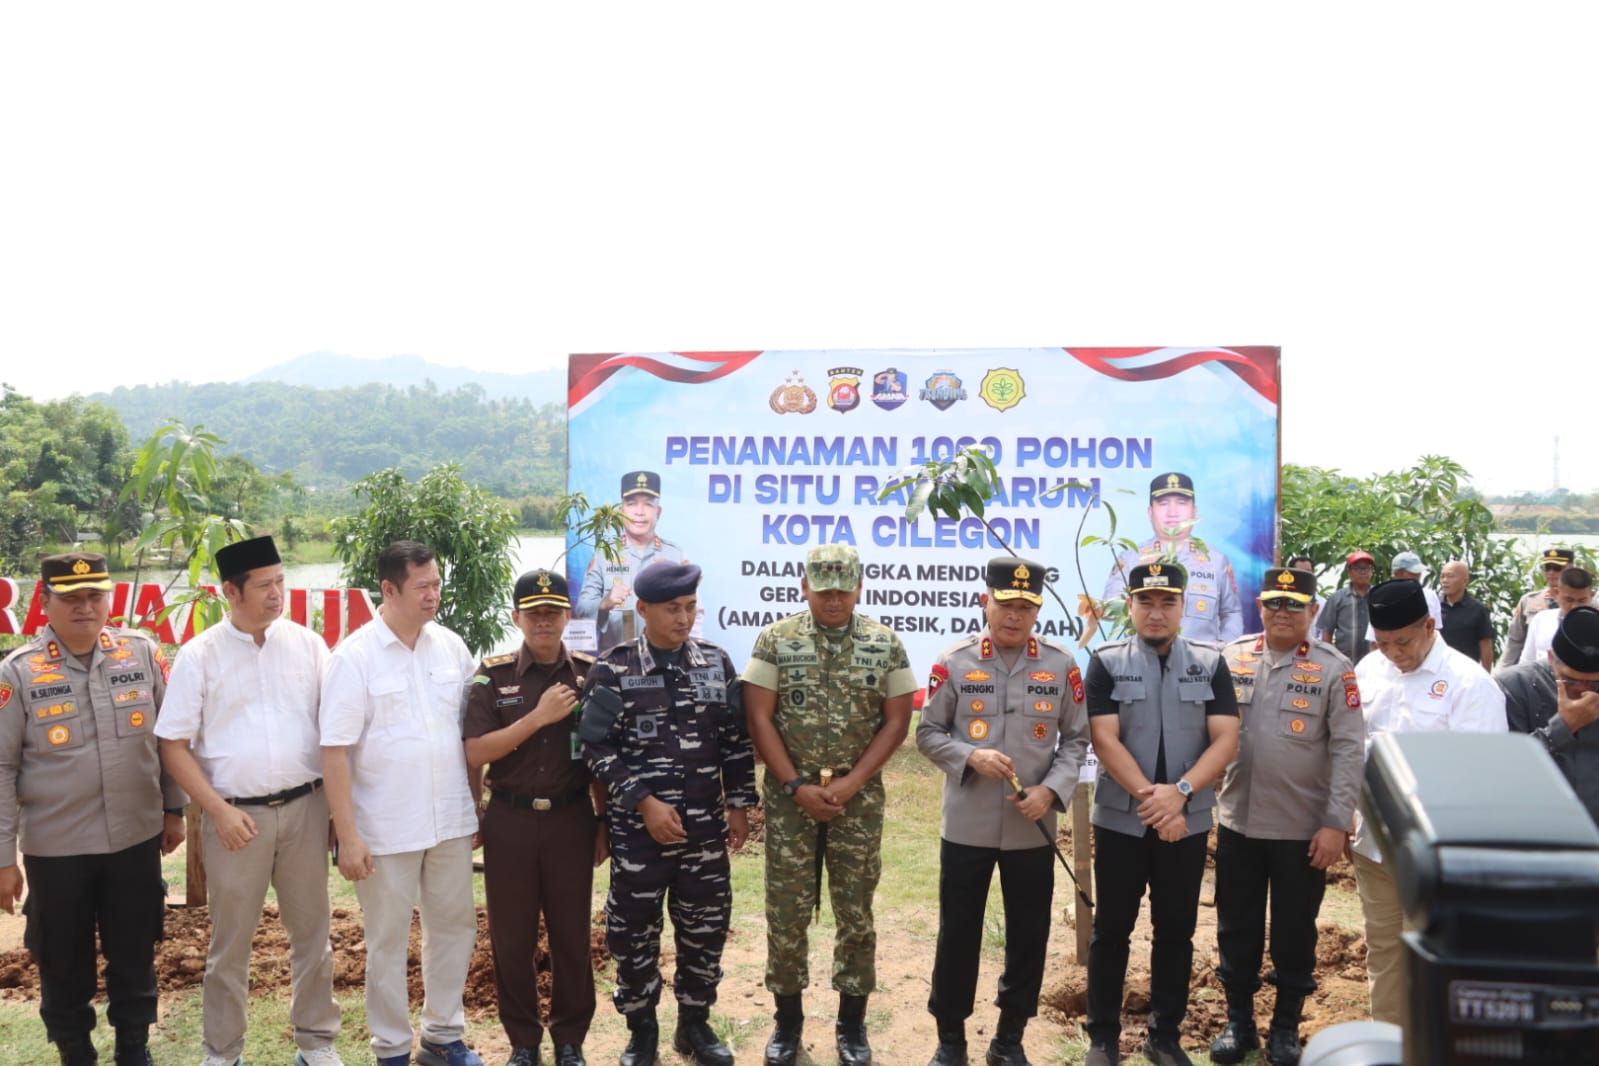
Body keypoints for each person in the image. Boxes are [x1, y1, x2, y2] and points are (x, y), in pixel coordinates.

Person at [155, 536, 343, 1066]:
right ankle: (223, 1050)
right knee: (230, 943)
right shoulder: (200, 655)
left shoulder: (308, 645)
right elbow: (173, 744)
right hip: (235, 818)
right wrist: (217, 810)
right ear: (231, 592)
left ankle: (316, 1042)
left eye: (281, 581)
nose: (277, 593)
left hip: (307, 809)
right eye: (264, 586)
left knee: (313, 934)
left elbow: (334, 731)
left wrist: (335, 811)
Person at [0, 552, 187, 1066]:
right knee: (62, 960)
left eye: (94, 596)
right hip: (57, 849)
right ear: (45, 602)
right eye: (71, 598)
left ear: (108, 599)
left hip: (134, 839)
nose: (85, 607)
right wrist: (3, 859)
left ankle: (134, 1047)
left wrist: (175, 808)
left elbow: (169, 737)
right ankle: (74, 1051)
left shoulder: (140, 653)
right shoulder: (17, 673)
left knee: (135, 952)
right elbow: (2, 768)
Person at [743, 545, 917, 1066]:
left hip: (856, 804)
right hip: (789, 801)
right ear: (804, 587)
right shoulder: (775, 640)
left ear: (859, 587)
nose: (834, 599)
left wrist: (852, 782)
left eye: (843, 589)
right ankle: (787, 1023)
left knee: (856, 913)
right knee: (786, 913)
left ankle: (852, 1024)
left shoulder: (885, 643)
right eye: (823, 590)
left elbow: (897, 722)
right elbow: (759, 718)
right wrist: (795, 785)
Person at [579, 563, 756, 1066]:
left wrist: (739, 804)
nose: (683, 618)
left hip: (704, 832)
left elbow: (735, 740)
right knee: (634, 933)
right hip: (640, 835)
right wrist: (643, 800)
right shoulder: (613, 668)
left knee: (705, 929)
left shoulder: (715, 663)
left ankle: (694, 1025)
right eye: (672, 609)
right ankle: (642, 1031)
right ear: (643, 610)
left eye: (690, 608)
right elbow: (593, 746)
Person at [916, 557, 1090, 1066]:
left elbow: (1076, 740)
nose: (1015, 615)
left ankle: (1009, 1038)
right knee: (958, 931)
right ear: (984, 601)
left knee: (1029, 933)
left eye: (1026, 607)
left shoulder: (1060, 664)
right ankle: (951, 1039)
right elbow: (928, 733)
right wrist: (970, 756)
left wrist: (1051, 792)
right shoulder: (954, 661)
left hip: (1031, 826)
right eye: (1006, 604)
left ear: (1037, 610)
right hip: (967, 824)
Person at [320, 541, 484, 1066]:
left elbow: (470, 733)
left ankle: (442, 1035)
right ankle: (390, 1047)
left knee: (454, 927)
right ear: (389, 590)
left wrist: (475, 804)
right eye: (422, 587)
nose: (433, 595)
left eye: (436, 584)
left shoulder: (452, 648)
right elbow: (335, 752)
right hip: (385, 827)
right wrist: (347, 836)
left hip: (450, 819)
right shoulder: (354, 658)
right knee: (387, 941)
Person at [1083, 562, 1241, 1066]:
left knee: (1176, 931)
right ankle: (1102, 1038)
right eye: (1145, 602)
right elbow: (1104, 739)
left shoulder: (1210, 664)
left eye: (1167, 602)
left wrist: (1182, 793)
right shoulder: (1106, 662)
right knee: (1111, 930)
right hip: (1121, 820)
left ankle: (1164, 1036)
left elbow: (1226, 738)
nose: (1156, 612)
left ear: (1182, 606)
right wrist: (1158, 801)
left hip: (1186, 822)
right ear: (1129, 606)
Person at [1209, 568, 1364, 1066]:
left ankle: (1284, 1028)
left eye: (1294, 604)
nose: (1282, 612)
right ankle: (1239, 1024)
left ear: (1313, 611)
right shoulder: (1231, 658)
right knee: (1236, 927)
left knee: (1295, 930)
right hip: (1238, 821)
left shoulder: (1334, 668)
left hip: (1303, 829)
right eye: (1274, 602)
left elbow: (1349, 749)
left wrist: (1336, 822)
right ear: (1260, 606)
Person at [464, 569, 606, 1066]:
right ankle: (524, 1041)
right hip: (511, 820)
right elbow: (475, 751)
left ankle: (570, 1039)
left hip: (572, 820)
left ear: (567, 616)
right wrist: (538, 717)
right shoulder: (493, 675)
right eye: (534, 613)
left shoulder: (591, 674)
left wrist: (603, 821)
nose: (543, 621)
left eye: (553, 612)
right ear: (516, 618)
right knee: (512, 936)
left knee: (572, 934)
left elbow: (601, 755)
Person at [1350, 579, 1506, 1026]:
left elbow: (1485, 776)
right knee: (1383, 951)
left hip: (1436, 853)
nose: (1393, 653)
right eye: (1383, 643)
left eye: (1402, 642)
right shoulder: (1368, 671)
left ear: (1429, 626)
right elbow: (1350, 750)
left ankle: (1432, 1048)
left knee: (1434, 957)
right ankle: (1390, 1043)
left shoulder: (1469, 684)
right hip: (1373, 847)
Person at [1103, 472, 1243, 643]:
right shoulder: (1131, 558)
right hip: (1144, 657)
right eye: (1163, 504)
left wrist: (1223, 650)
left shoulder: (1215, 560)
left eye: (1182, 503)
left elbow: (1231, 612)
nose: (1172, 513)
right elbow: (1109, 611)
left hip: (1204, 658)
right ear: (1150, 512)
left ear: (1194, 511)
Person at [1498, 605, 1599, 826]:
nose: (1583, 690)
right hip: (1537, 830)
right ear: (1552, 658)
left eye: (1594, 683)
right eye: (1570, 680)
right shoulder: (1515, 687)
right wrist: (1562, 727)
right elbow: (1502, 769)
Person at [575, 471, 688, 652]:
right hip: (615, 660)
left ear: (658, 512)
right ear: (621, 511)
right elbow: (581, 610)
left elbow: (693, 612)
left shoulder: (675, 555)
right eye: (631, 504)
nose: (639, 512)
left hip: (664, 659)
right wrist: (605, 602)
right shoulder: (604, 554)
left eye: (648, 504)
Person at [1500, 547, 1573, 668]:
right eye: (1547, 568)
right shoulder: (1529, 600)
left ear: (1571, 569)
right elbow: (1515, 641)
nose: (1551, 572)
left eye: (1557, 568)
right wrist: (1503, 672)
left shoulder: (1583, 603)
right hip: (1536, 669)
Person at [1520, 566, 1594, 666]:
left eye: (1582, 601)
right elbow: (1526, 662)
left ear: (1591, 596)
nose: (1574, 606)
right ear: (1556, 593)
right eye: (1569, 600)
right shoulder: (1541, 620)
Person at [1315, 551, 1376, 663]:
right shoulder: (1337, 598)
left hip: (1374, 663)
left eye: (1367, 568)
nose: (1363, 572)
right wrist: (1328, 660)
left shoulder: (1379, 596)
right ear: (1349, 571)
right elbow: (1327, 631)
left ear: (1372, 571)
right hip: (1344, 662)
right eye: (1358, 568)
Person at [1437, 560, 1495, 672]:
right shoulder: (1434, 607)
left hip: (1466, 672)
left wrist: (1486, 676)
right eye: (1442, 576)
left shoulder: (1478, 610)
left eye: (1450, 576)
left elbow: (1486, 646)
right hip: (1438, 671)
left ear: (1465, 581)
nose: (1444, 581)